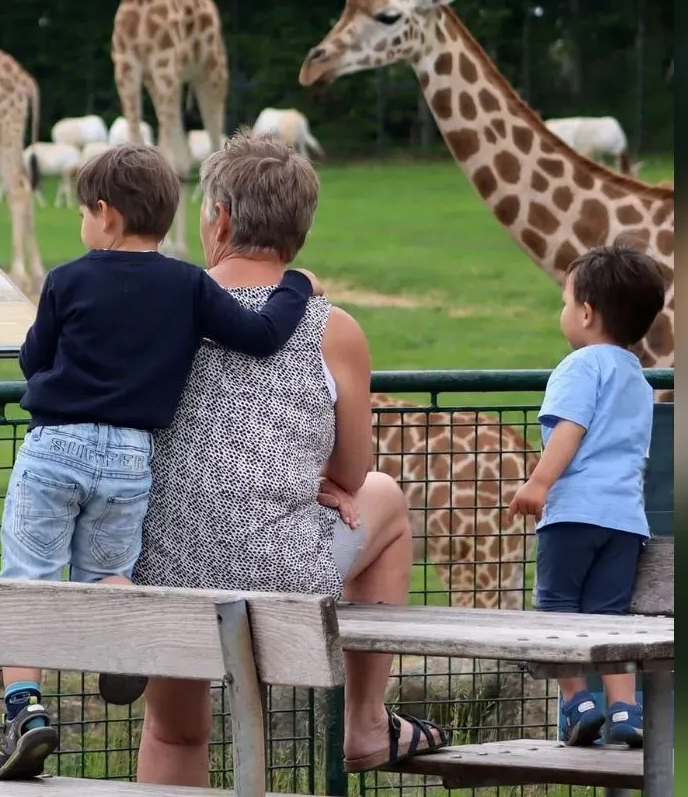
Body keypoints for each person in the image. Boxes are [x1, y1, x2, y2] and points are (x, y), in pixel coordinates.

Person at [125, 132, 447, 788]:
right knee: (385, 495)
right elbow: (352, 474)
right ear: (300, 232)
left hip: (162, 566)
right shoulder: (335, 329)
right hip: (283, 578)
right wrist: (324, 482)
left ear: (217, 218)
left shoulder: (159, 309)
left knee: (172, 731)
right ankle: (363, 719)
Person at [0, 143, 318, 781]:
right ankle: (127, 636)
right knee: (106, 571)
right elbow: (260, 337)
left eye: (84, 213)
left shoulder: (66, 279)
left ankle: (25, 711)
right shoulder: (187, 282)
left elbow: (33, 361)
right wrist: (295, 286)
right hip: (130, 456)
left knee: (26, 576)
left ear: (105, 216)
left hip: (57, 446)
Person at [507, 241, 668, 748]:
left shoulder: (578, 367)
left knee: (556, 612)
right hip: (625, 520)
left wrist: (539, 483)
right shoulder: (637, 379)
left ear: (586, 311)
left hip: (574, 512)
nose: (563, 312)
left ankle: (578, 704)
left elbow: (570, 430)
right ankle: (625, 711)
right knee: (609, 619)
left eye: (564, 301)